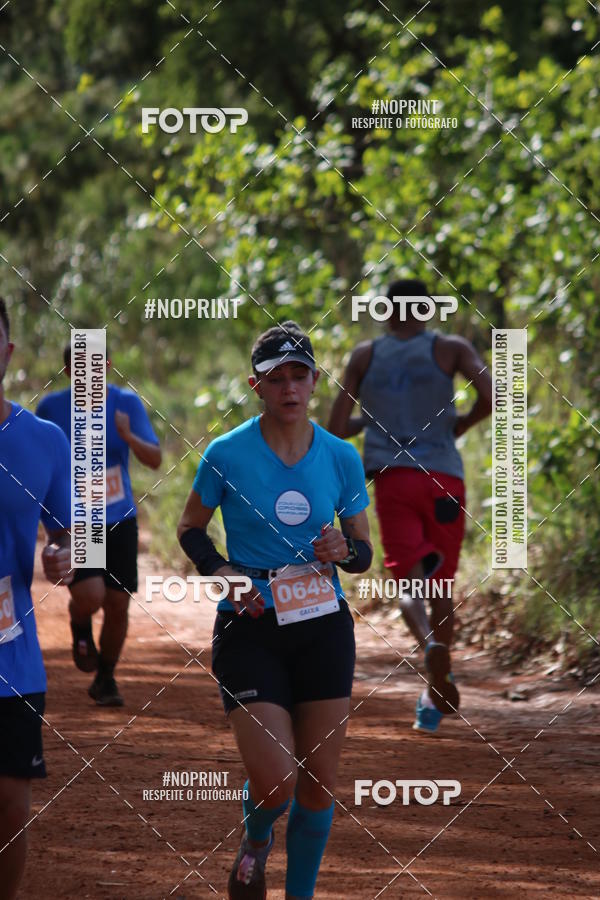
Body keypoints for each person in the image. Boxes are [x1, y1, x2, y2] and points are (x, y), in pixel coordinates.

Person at [177, 321, 372, 900]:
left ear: (315, 381)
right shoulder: (226, 452)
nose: (289, 387)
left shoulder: (340, 456)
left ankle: (300, 896)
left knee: (318, 786)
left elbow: (363, 551)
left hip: (322, 624)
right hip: (251, 623)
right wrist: (220, 572)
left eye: (299, 375)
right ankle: (257, 837)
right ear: (256, 386)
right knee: (276, 783)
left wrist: (345, 548)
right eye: (275, 378)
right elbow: (190, 528)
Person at [328, 279, 492, 734]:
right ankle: (437, 687)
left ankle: (428, 654)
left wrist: (373, 423)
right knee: (442, 582)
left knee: (408, 583)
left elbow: (336, 425)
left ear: (385, 311)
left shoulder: (366, 356)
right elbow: (494, 396)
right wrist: (456, 426)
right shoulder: (451, 348)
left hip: (392, 480)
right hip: (445, 480)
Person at [36, 343, 161, 706]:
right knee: (90, 596)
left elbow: (154, 459)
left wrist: (128, 437)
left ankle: (106, 677)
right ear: (68, 374)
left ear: (107, 365)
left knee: (118, 604)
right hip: (81, 521)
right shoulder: (51, 409)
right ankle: (79, 621)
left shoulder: (126, 403)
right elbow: (41, 462)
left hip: (119, 518)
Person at [0, 298, 72, 899]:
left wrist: (65, 556)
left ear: (7, 352)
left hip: (12, 656)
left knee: (8, 805)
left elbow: (78, 533)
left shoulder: (43, 439)